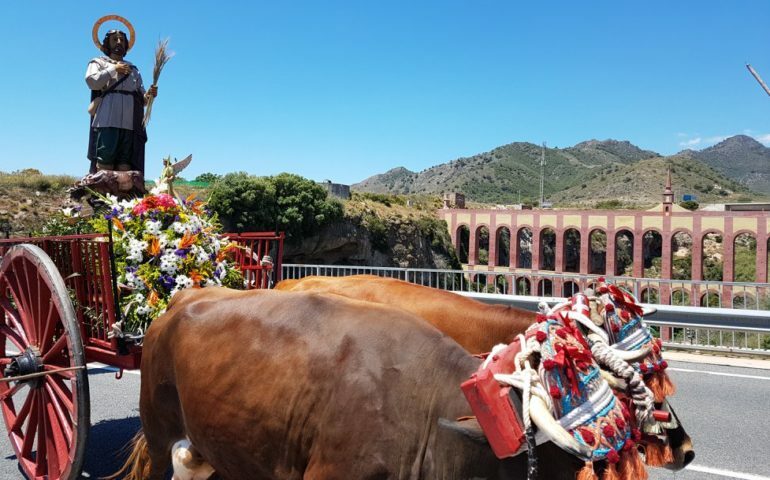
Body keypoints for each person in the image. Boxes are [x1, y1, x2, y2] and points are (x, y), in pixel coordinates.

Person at [85, 29, 157, 178]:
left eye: (122, 40)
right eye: (115, 39)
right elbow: (92, 82)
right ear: (107, 43)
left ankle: (122, 195)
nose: (119, 43)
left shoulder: (133, 69)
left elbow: (141, 99)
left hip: (130, 122)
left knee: (125, 160)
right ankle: (102, 194)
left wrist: (149, 95)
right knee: (106, 156)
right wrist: (113, 69)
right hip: (107, 119)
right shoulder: (98, 62)